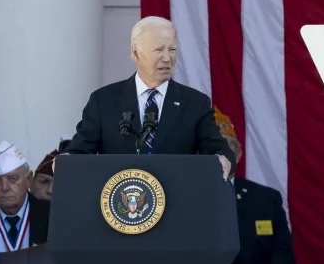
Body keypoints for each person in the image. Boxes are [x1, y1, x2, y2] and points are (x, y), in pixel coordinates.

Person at [63, 17, 234, 180]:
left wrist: (222, 158)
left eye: (172, 50)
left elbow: (217, 149)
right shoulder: (103, 100)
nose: (167, 58)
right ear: (135, 52)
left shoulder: (196, 103)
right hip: (118, 202)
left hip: (176, 201)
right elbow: (80, 152)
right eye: (159, 50)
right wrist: (67, 160)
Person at [216, 109, 295, 264]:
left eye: (228, 147)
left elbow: (283, 256)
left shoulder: (266, 199)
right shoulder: (187, 199)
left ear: (239, 154)